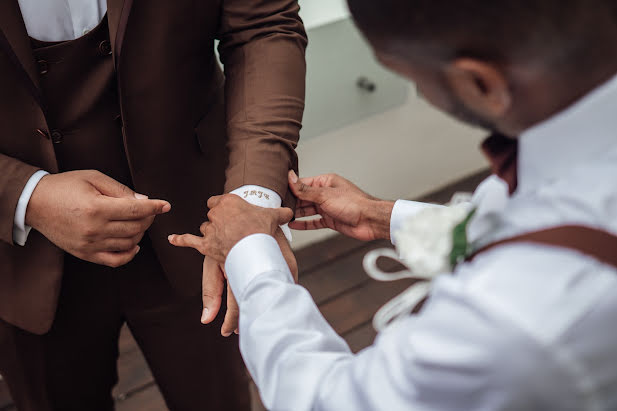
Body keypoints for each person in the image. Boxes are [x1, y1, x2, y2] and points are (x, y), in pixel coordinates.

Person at [169, 0, 617, 409]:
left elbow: (329, 401)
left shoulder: (515, 321)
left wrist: (249, 251)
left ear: (480, 83)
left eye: (408, 75)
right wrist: (387, 217)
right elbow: (542, 215)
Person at [0, 0, 304, 410]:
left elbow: (263, 26)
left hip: (200, 230)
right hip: (20, 258)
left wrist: (254, 196)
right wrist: (25, 196)